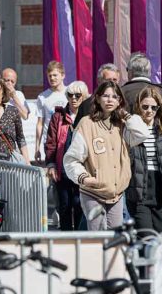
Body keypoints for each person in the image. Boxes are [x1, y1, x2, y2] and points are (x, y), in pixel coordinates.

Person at [63, 81, 149, 230]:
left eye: (114, 97)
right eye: (105, 96)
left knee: (115, 236)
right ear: (97, 98)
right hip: (93, 191)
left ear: (119, 101)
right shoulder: (87, 123)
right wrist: (83, 177)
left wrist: (127, 115)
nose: (110, 100)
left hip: (116, 193)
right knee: (97, 234)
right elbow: (71, 159)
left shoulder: (122, 125)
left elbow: (142, 134)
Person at [126, 86, 162, 233]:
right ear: (138, 106)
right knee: (145, 234)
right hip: (139, 190)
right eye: (145, 106)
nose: (149, 111)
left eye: (154, 107)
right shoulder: (130, 130)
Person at [45, 81, 89, 230]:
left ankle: (79, 239)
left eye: (78, 95)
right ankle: (65, 239)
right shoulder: (58, 116)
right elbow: (51, 142)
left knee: (79, 205)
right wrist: (50, 164)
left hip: (83, 168)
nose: (74, 98)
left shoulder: (89, 117)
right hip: (62, 167)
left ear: (84, 97)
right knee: (64, 205)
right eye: (70, 95)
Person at [35, 61, 68, 163]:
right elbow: (40, 124)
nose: (52, 78)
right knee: (52, 173)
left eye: (55, 75)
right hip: (50, 143)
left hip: (67, 140)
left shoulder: (71, 93)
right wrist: (37, 148)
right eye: (50, 76)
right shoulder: (42, 97)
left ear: (62, 75)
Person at [73, 63, 120, 128]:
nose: (112, 83)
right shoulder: (86, 105)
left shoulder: (122, 103)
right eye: (108, 80)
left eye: (114, 80)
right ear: (99, 81)